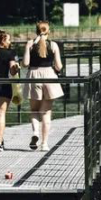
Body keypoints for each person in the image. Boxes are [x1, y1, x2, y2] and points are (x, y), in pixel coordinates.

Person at [23, 21, 64, 151]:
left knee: (34, 110)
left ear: (36, 31)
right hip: (49, 76)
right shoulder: (53, 45)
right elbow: (59, 66)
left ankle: (35, 132)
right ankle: (44, 144)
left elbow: (25, 63)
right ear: (48, 31)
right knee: (46, 113)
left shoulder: (30, 44)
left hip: (34, 76)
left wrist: (27, 49)